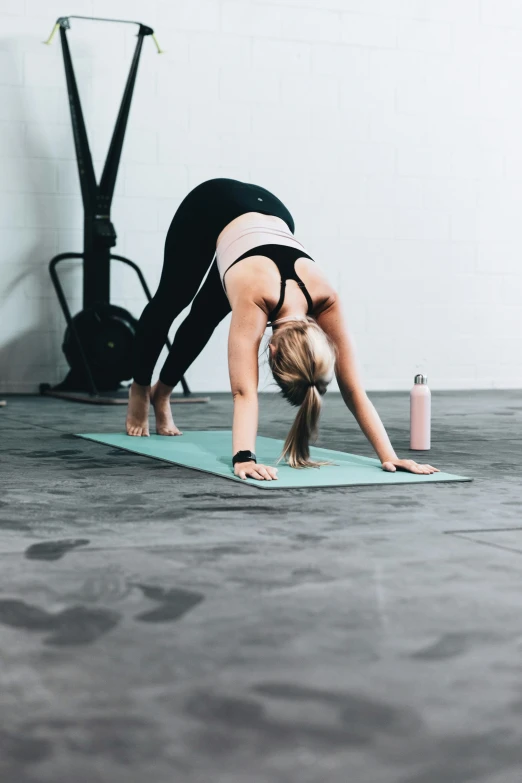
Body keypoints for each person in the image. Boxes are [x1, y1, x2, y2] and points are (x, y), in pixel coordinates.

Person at [126, 178, 439, 482]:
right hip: (211, 205)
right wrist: (243, 458)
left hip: (272, 214)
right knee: (172, 300)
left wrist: (390, 455)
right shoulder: (260, 296)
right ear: (272, 350)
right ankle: (140, 389)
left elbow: (353, 389)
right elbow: (243, 392)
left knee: (203, 318)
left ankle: (162, 394)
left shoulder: (326, 298)